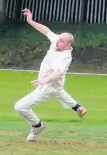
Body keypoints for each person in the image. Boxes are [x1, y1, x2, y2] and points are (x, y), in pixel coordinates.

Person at [14, 9, 87, 142]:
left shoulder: (65, 57)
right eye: (58, 39)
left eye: (61, 41)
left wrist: (44, 80)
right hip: (55, 86)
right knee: (59, 91)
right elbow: (46, 30)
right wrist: (30, 20)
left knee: (20, 106)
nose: (57, 42)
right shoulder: (57, 41)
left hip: (48, 86)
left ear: (68, 45)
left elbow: (57, 73)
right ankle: (78, 108)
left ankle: (37, 125)